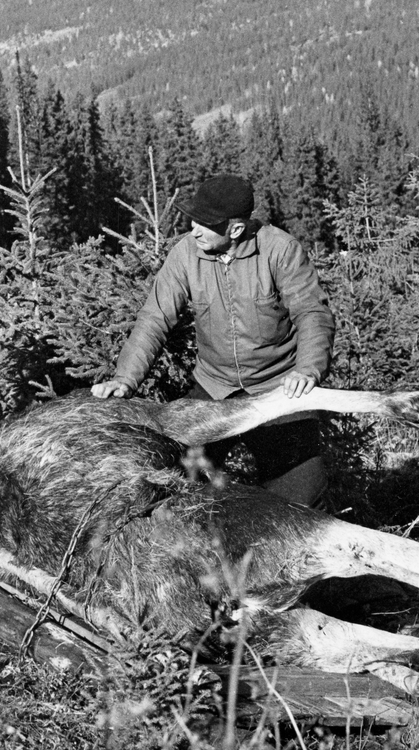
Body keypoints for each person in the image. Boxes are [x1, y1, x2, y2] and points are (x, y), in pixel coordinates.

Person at [92, 175, 335, 507]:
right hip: (213, 388)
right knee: (175, 484)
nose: (194, 229)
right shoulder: (185, 255)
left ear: (235, 230)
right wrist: (125, 379)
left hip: (277, 388)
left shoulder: (280, 250)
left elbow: (312, 313)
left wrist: (307, 371)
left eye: (205, 224)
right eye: (193, 219)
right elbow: (155, 318)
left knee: (303, 495)